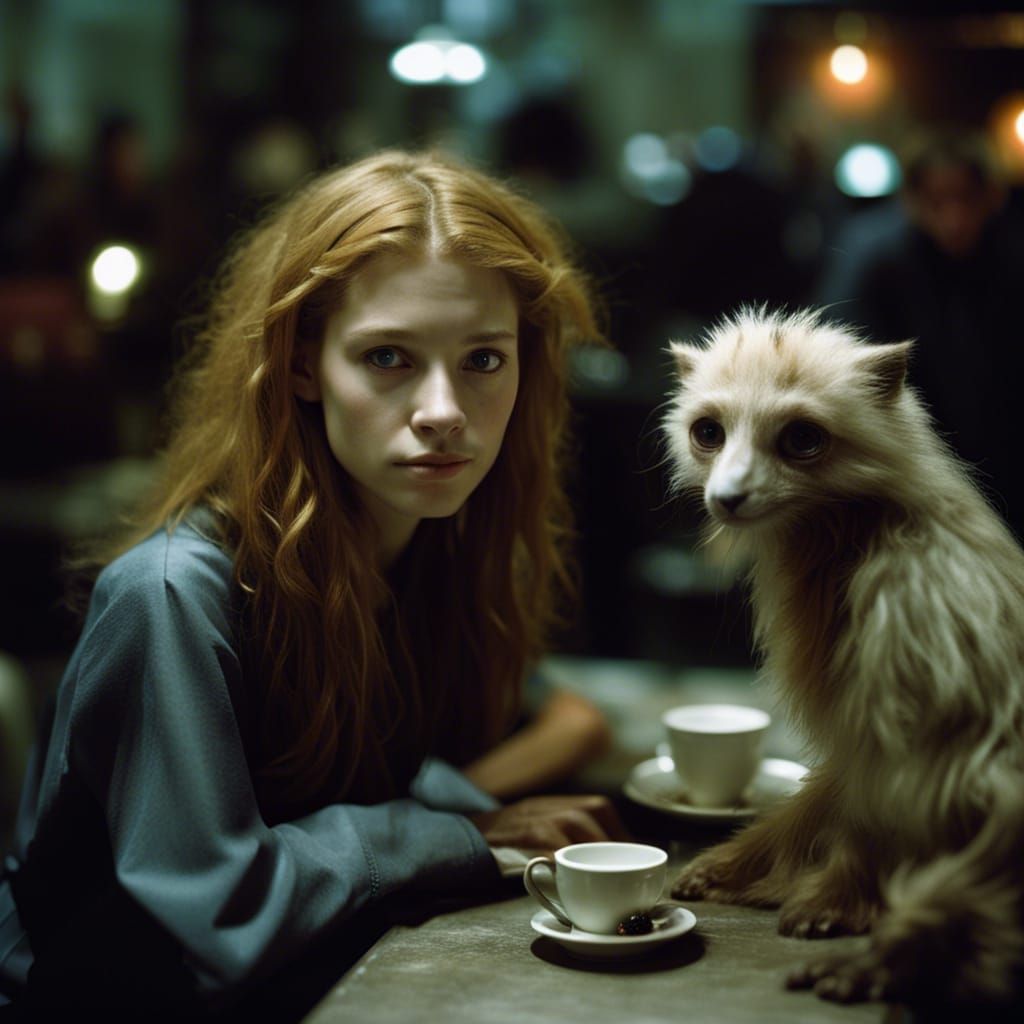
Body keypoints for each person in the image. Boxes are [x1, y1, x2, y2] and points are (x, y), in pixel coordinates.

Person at [0, 149, 623, 1016]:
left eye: (484, 359)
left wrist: (451, 820)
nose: (444, 410)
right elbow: (221, 913)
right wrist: (446, 831)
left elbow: (547, 722)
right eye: (388, 357)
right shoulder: (175, 594)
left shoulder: (439, 549)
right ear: (300, 364)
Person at [817, 129, 1024, 538]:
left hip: (1006, 460)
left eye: (966, 199)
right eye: (937, 201)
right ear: (911, 200)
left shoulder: (1012, 254)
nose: (954, 218)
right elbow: (840, 355)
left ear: (990, 197)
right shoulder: (872, 254)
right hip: (910, 457)